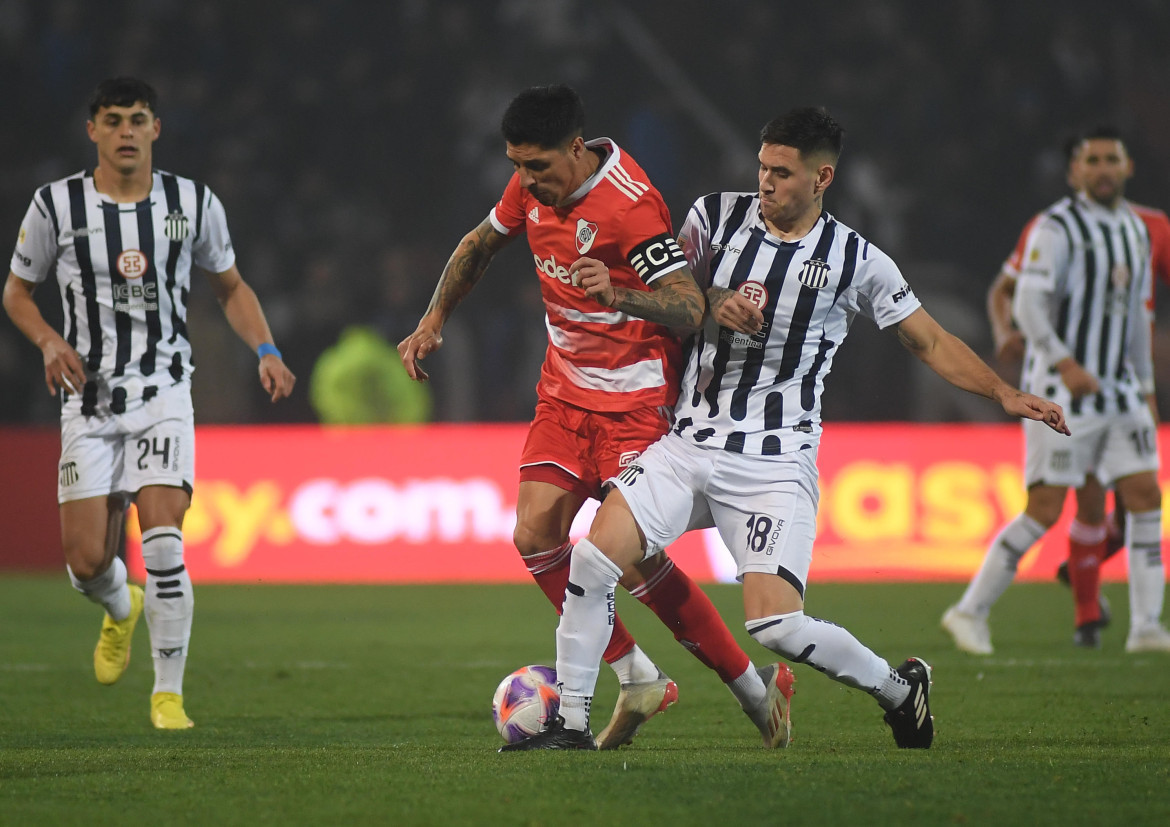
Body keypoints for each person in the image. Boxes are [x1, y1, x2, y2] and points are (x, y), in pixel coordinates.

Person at [499, 107, 1069, 751]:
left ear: (821, 177)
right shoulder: (713, 217)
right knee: (595, 559)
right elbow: (674, 294)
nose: (765, 183)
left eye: (782, 172)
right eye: (762, 167)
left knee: (775, 627)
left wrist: (1003, 391)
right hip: (687, 443)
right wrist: (714, 303)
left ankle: (897, 688)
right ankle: (570, 723)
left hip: (773, 463)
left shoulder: (857, 259)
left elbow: (929, 340)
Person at [397, 85, 792, 750]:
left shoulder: (629, 207)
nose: (526, 182)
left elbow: (688, 307)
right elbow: (480, 242)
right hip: (563, 394)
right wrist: (434, 316)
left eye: (538, 167)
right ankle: (636, 675)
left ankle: (754, 688)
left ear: (575, 150)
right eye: (517, 165)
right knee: (533, 535)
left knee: (629, 563)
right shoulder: (531, 186)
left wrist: (620, 293)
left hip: (635, 403)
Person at [3, 77, 295, 729]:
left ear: (156, 129)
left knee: (163, 540)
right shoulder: (56, 205)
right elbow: (17, 292)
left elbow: (230, 286)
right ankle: (118, 605)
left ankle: (168, 694)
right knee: (85, 564)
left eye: (138, 119)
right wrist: (49, 341)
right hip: (90, 398)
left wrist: (266, 351)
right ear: (94, 131)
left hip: (164, 390)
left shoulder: (192, 202)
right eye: (113, 120)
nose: (127, 131)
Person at [943, 126, 1170, 656]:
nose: (1103, 169)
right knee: (1045, 508)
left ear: (1128, 167)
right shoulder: (1054, 227)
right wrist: (1066, 364)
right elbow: (1026, 305)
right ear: (1075, 172)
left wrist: (1145, 387)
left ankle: (1145, 628)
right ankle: (969, 610)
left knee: (1145, 498)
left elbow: (1138, 316)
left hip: (1120, 394)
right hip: (1060, 391)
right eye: (1092, 161)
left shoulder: (1139, 231)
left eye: (1112, 159)